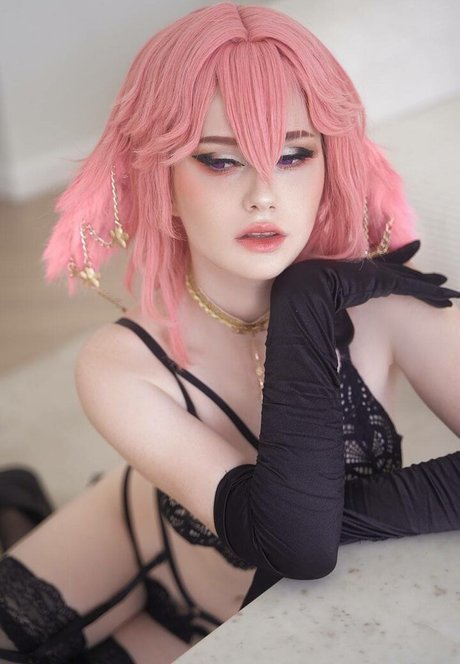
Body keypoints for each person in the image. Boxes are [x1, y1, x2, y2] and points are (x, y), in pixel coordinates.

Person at [0, 3, 459, 662]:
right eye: (220, 161)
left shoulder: (388, 305)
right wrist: (305, 301)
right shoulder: (119, 364)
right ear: (162, 175)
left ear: (329, 161)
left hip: (220, 610)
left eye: (294, 154)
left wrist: (308, 295)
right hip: (133, 535)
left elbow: (297, 543)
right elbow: (298, 542)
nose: (264, 195)